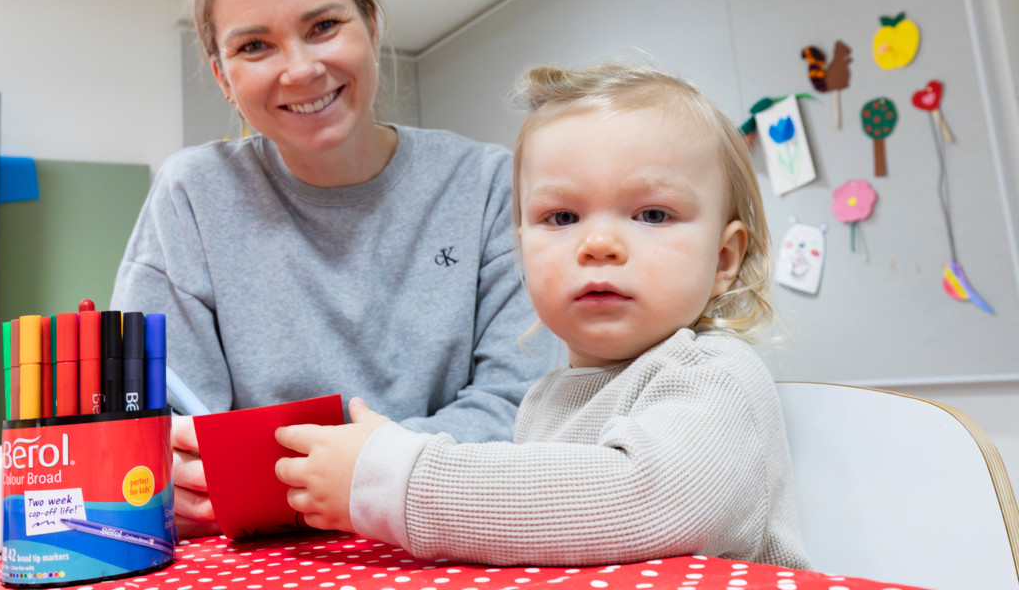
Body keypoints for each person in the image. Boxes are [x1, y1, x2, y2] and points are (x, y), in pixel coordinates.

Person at [109, 0, 556, 538]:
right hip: (266, 556)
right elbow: (154, 433)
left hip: (449, 531)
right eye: (255, 45)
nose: (300, 69)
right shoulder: (193, 197)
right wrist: (167, 474)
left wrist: (353, 474)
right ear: (223, 76)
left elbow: (525, 404)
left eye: (322, 26)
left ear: (372, 27)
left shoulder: (486, 185)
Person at [275, 62, 812, 569]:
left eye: (652, 214)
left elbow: (645, 501)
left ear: (723, 260)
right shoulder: (548, 397)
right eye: (561, 217)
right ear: (523, 251)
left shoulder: (716, 376)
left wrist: (397, 480)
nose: (598, 243)